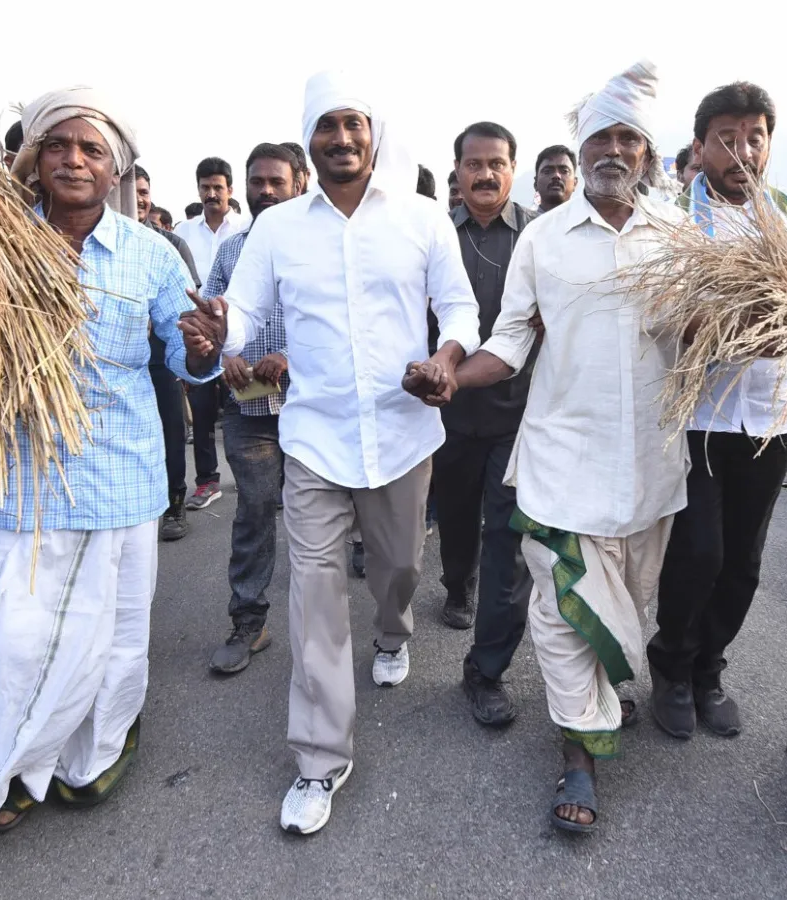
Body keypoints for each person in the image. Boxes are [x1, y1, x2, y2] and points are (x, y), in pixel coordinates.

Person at [0, 88, 223, 849]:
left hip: (123, 478)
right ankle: (7, 765)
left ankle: (98, 751)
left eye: (90, 149)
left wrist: (205, 350)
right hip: (23, 482)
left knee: (115, 637)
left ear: (115, 167)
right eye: (58, 146)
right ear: (34, 159)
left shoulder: (149, 252)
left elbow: (182, 358)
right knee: (12, 640)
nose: (74, 160)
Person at [181, 70, 479, 836]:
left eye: (354, 124)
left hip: (403, 435)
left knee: (399, 567)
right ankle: (320, 759)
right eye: (327, 126)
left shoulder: (420, 218)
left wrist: (445, 358)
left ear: (373, 134)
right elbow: (242, 311)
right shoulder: (278, 231)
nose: (342, 138)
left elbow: (459, 306)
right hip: (312, 436)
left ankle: (393, 629)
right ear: (309, 141)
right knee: (313, 592)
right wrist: (224, 334)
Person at [409, 59, 686, 833]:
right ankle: (577, 753)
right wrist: (453, 376)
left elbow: (709, 341)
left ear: (647, 151)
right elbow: (512, 339)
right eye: (601, 133)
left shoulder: (681, 240)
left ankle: (597, 704)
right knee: (565, 613)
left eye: (628, 136)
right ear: (581, 142)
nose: (613, 148)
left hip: (651, 469)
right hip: (562, 461)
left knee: (626, 606)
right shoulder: (545, 237)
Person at [647, 82, 787, 741]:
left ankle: (709, 670)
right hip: (701, 416)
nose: (741, 152)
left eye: (755, 137)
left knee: (744, 558)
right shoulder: (678, 219)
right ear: (701, 146)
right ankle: (671, 663)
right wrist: (743, 327)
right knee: (698, 552)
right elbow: (672, 317)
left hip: (774, 416)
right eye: (727, 138)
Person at [435, 121, 536, 727]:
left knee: (508, 542)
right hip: (444, 413)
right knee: (454, 518)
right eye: (474, 164)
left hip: (518, 416)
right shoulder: (434, 235)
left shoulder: (539, 238)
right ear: (458, 170)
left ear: (511, 168)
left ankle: (488, 668)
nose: (485, 174)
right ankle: (454, 584)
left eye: (496, 163)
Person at [205, 143, 300, 675]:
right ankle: (249, 622)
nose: (265, 191)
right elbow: (212, 315)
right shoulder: (231, 251)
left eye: (276, 182)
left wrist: (291, 355)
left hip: (316, 404)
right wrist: (228, 355)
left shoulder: (323, 246)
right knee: (257, 509)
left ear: (299, 183)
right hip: (250, 409)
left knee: (338, 514)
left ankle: (363, 628)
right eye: (257, 182)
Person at [135, 165, 200, 542]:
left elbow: (187, 304)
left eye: (145, 191)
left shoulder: (169, 246)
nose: (140, 199)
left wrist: (189, 353)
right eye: (134, 191)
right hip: (119, 364)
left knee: (171, 431)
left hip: (162, 359)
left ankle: (176, 502)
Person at [175, 158, 244, 512]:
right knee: (201, 414)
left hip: (240, 337)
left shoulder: (246, 230)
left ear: (230, 190)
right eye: (205, 187)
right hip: (202, 338)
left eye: (218, 187)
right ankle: (207, 482)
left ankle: (258, 480)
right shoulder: (184, 233)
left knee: (249, 409)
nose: (211, 194)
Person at [533, 144, 577, 213]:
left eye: (564, 171)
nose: (556, 175)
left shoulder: (590, 222)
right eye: (547, 171)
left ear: (575, 183)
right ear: (536, 183)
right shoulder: (525, 223)